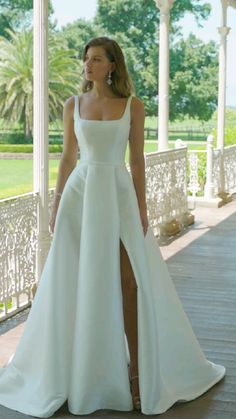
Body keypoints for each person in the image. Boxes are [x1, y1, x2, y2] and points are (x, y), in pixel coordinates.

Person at [0, 36, 225, 418]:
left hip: (117, 195)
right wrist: (56, 206)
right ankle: (77, 373)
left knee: (130, 282)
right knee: (76, 280)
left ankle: (138, 372)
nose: (88, 65)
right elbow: (68, 159)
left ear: (112, 66)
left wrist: (141, 208)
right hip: (81, 198)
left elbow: (137, 160)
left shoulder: (132, 106)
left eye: (96, 59)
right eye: (86, 58)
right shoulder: (73, 105)